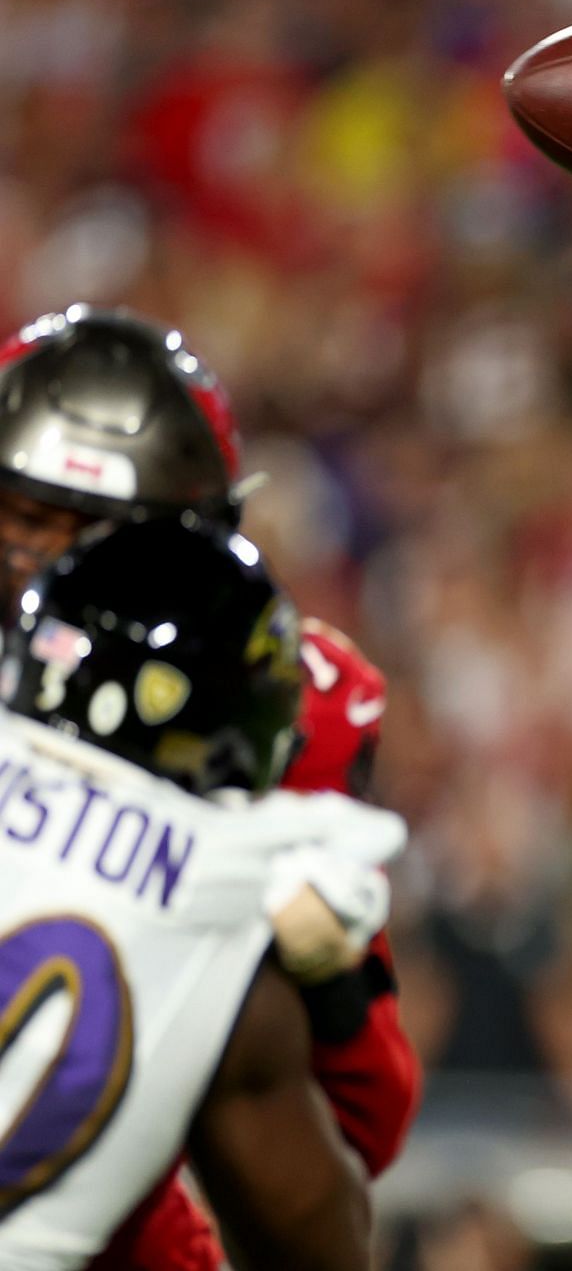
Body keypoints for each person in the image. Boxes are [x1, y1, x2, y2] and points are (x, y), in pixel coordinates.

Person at [0, 306, 418, 1269]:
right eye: (24, 521)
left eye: (99, 540)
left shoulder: (267, 710)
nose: (52, 581)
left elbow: (354, 1131)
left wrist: (323, 972)